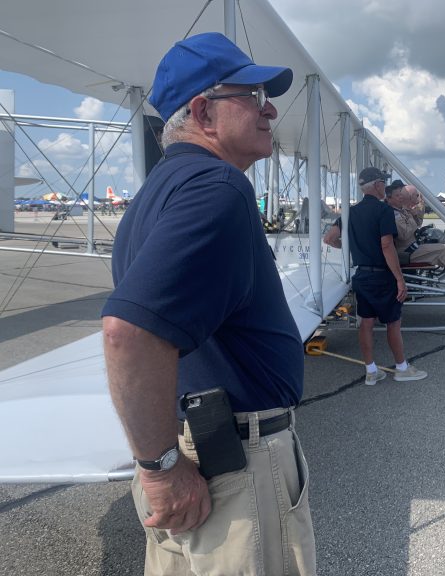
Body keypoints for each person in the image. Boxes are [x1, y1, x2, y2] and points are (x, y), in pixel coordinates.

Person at [101, 32, 316, 575]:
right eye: (254, 95)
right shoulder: (217, 188)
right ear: (203, 112)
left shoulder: (160, 190)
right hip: (230, 470)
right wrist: (160, 469)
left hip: (196, 455)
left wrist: (159, 462)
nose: (270, 109)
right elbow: (129, 333)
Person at [347, 167, 427, 384]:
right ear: (378, 185)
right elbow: (387, 245)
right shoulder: (383, 210)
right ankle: (401, 368)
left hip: (362, 274)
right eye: (383, 182)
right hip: (382, 276)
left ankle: (371, 371)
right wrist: (400, 279)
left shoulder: (352, 212)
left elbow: (333, 238)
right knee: (393, 322)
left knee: (366, 323)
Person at [385, 180, 445, 284]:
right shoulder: (393, 213)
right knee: (443, 250)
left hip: (410, 249)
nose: (401, 197)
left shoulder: (401, 211)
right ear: (389, 199)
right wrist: (411, 216)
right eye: (397, 196)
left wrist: (417, 208)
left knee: (444, 251)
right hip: (405, 252)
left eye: (401, 195)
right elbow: (405, 234)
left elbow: (417, 223)